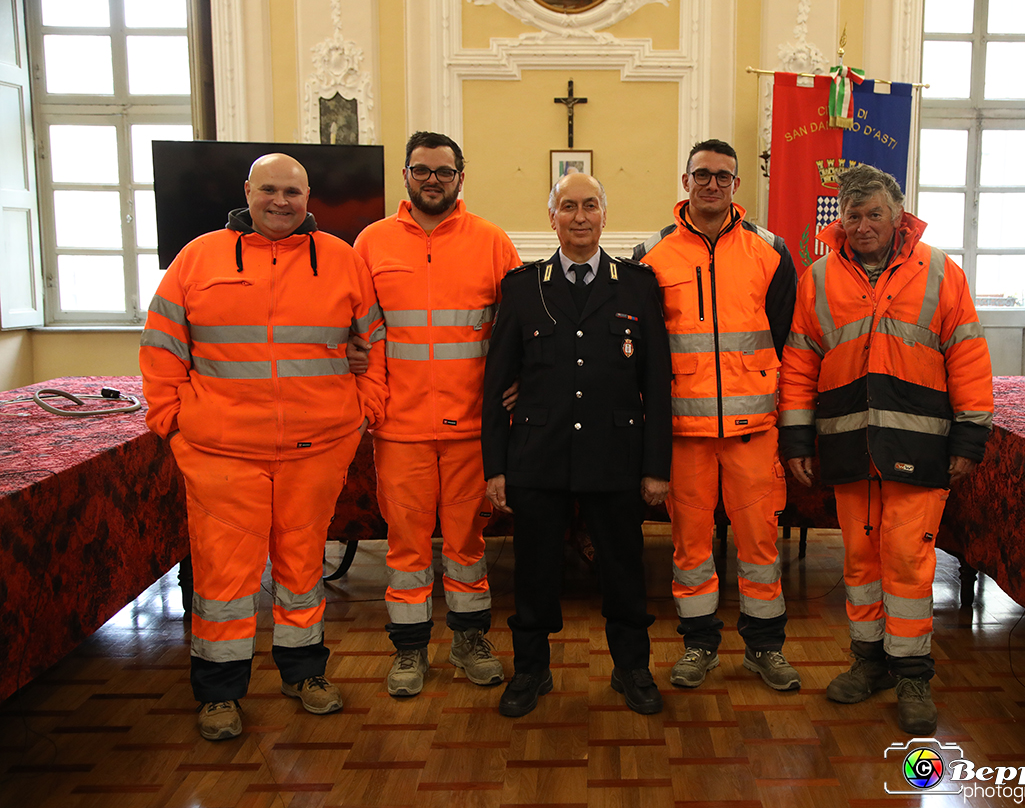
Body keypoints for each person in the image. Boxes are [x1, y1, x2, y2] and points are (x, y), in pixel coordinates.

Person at [140, 153, 387, 741]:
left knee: (304, 569)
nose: (282, 202)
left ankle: (305, 675)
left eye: (293, 192)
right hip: (221, 452)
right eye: (270, 189)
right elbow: (161, 346)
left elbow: (374, 343)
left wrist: (364, 410)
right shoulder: (198, 258)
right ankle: (220, 695)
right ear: (247, 191)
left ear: (309, 198)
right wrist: (172, 421)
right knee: (225, 581)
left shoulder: (342, 259)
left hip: (316, 448)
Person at [778, 163, 993, 735]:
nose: (864, 224)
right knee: (859, 562)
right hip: (848, 444)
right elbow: (800, 363)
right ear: (840, 220)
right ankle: (868, 662)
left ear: (899, 216)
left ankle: (913, 674)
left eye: (875, 213)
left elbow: (968, 356)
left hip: (920, 445)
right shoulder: (818, 279)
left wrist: (971, 437)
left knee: (906, 558)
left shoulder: (942, 271)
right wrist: (797, 437)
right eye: (854, 215)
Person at [482, 172, 671, 718]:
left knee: (623, 571)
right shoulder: (522, 286)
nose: (580, 216)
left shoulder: (637, 284)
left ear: (604, 215)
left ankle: (632, 669)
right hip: (537, 457)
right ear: (552, 217)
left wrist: (656, 466)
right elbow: (498, 385)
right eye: (569, 207)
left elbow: (656, 383)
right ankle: (531, 672)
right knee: (535, 574)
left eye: (590, 206)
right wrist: (497, 466)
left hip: (616, 455)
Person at [349, 132, 520, 696]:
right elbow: (359, 334)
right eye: (422, 170)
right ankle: (410, 651)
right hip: (399, 430)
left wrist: (517, 390)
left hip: (472, 428)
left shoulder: (492, 242)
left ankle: (471, 640)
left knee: (469, 547)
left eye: (443, 172)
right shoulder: (370, 244)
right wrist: (370, 404)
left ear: (460, 178)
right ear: (405, 175)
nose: (432, 180)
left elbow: (518, 331)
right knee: (405, 549)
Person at [632, 139, 799, 692]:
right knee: (691, 548)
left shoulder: (771, 250)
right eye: (701, 175)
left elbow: (786, 340)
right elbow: (645, 355)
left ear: (736, 185)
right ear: (685, 182)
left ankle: (764, 649)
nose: (711, 185)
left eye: (722, 177)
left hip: (754, 432)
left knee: (759, 545)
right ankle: (699, 646)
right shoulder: (651, 256)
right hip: (686, 433)